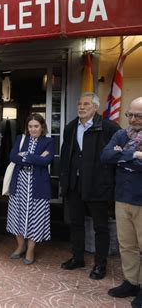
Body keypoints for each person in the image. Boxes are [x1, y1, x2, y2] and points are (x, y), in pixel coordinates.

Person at [59, 92, 120, 280]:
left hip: (97, 186)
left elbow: (117, 155)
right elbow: (64, 157)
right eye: (79, 103)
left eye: (86, 104)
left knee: (100, 227)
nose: (81, 107)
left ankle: (100, 264)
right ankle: (78, 258)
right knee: (76, 223)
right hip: (75, 185)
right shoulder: (70, 128)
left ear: (95, 107)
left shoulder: (108, 127)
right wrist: (64, 182)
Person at [101, 97, 142, 308]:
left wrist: (121, 156)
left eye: (138, 116)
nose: (133, 119)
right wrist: (134, 154)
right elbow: (106, 155)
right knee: (127, 245)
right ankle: (132, 282)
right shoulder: (121, 134)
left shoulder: (122, 138)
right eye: (130, 115)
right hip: (122, 196)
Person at [7, 114, 54, 264]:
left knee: (36, 219)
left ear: (42, 127)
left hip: (38, 186)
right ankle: (20, 246)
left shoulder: (49, 141)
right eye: (30, 126)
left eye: (36, 126)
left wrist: (26, 156)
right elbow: (13, 156)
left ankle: (30, 250)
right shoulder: (21, 139)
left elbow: (47, 160)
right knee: (18, 216)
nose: (33, 129)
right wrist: (36, 157)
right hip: (19, 184)